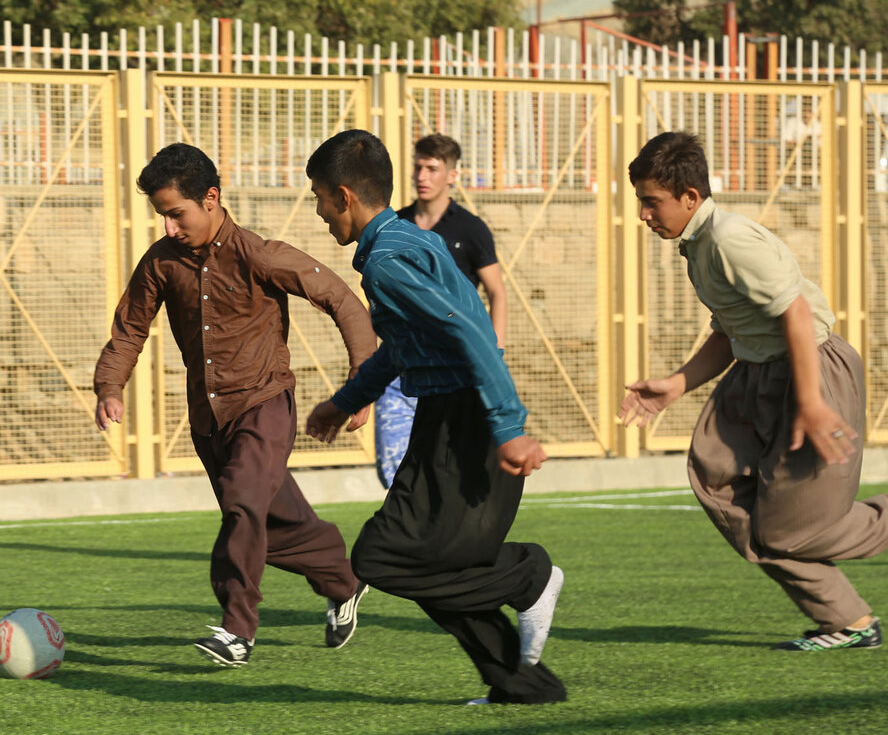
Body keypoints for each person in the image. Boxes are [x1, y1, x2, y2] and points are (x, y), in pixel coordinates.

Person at [304, 129, 567, 705]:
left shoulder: (390, 262)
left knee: (383, 556)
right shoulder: (400, 241)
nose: (319, 212)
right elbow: (405, 347)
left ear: (344, 196)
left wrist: (508, 427)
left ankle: (528, 576)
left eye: (319, 197)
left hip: (465, 419)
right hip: (446, 418)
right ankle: (518, 685)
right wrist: (348, 399)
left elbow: (469, 330)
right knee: (421, 560)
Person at [93, 142, 377, 667]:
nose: (170, 228)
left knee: (245, 504)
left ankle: (236, 629)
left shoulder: (259, 253)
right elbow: (130, 328)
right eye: (162, 217)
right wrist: (109, 386)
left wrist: (364, 379)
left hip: (265, 403)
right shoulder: (160, 263)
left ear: (211, 199)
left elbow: (340, 296)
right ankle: (344, 581)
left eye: (176, 214)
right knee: (269, 522)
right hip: (208, 420)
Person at [620, 131, 887, 651]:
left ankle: (849, 623)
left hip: (809, 369)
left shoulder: (729, 239)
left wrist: (811, 402)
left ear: (689, 197)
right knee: (717, 478)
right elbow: (731, 327)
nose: (644, 215)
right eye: (641, 203)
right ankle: (847, 621)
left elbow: (797, 313)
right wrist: (676, 383)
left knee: (787, 533)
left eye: (652, 203)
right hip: (758, 373)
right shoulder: (698, 244)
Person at [376, 133, 508, 488]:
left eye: (432, 168)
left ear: (451, 175)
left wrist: (493, 354)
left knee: (448, 468)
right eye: (418, 167)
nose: (422, 176)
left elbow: (497, 292)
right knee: (393, 471)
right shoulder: (394, 226)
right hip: (399, 366)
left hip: (454, 369)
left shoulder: (471, 229)